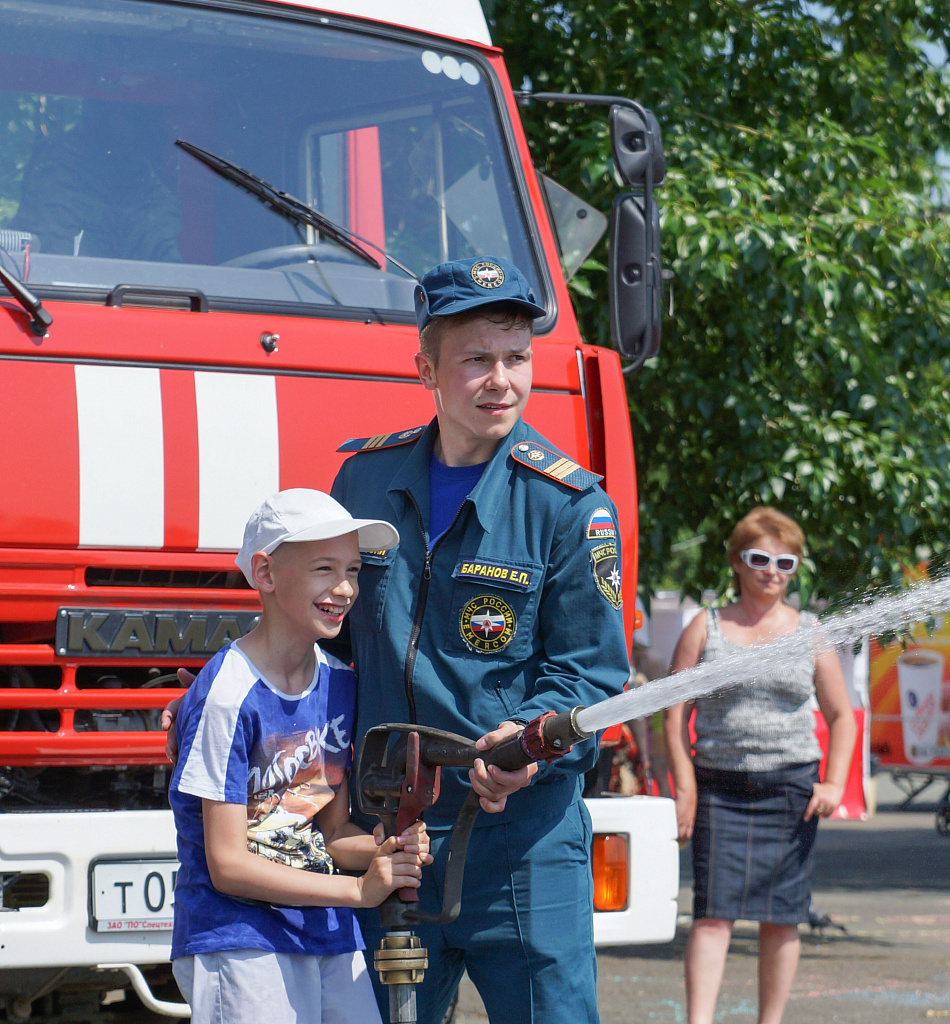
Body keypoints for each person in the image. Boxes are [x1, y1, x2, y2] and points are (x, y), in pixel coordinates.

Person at [328, 255, 631, 1024]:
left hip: (519, 846)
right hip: (386, 838)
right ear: (425, 365)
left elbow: (590, 673)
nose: (502, 380)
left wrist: (529, 748)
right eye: (477, 360)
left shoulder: (570, 504)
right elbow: (325, 647)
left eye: (518, 358)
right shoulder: (362, 482)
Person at [168, 489, 430, 1024]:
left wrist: (387, 847)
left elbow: (329, 834)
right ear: (264, 574)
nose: (345, 588)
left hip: (326, 931)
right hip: (240, 938)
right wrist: (359, 890)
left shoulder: (339, 684)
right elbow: (227, 864)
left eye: (354, 569)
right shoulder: (226, 694)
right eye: (323, 568)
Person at [663, 506, 856, 1024]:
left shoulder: (811, 632)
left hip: (791, 789)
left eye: (786, 561)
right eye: (760, 558)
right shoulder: (705, 627)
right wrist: (685, 785)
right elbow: (673, 714)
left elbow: (842, 716)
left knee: (782, 918)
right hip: (719, 790)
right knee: (712, 915)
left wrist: (834, 782)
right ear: (737, 562)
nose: (773, 570)